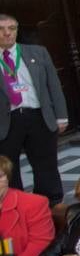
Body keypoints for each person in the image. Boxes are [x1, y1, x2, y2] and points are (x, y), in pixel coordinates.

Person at [0, 13, 68, 203]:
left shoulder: (37, 52)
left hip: (39, 116)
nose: (7, 33)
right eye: (2, 29)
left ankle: (51, 203)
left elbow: (53, 85)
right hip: (7, 120)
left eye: (12, 29)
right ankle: (15, 204)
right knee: (8, 167)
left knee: (46, 164)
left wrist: (61, 116)